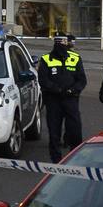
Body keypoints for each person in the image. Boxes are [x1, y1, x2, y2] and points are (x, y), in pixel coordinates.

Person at [37, 33, 87, 163]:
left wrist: (73, 90)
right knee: (54, 132)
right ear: (55, 44)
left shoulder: (75, 58)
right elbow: (43, 80)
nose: (62, 48)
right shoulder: (46, 59)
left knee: (75, 130)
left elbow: (82, 80)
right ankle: (56, 161)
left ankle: (76, 157)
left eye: (64, 45)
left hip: (71, 99)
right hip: (53, 101)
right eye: (59, 45)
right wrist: (57, 90)